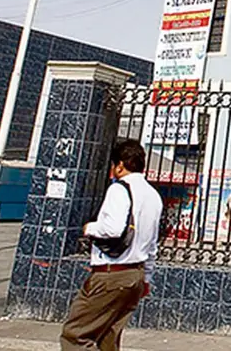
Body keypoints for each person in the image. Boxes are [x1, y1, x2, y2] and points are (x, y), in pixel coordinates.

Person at [61, 140, 163, 351]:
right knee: (108, 338)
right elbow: (152, 244)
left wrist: (90, 228)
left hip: (111, 274)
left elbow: (114, 229)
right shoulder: (153, 195)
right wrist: (146, 278)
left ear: (119, 165)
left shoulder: (119, 189)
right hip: (135, 274)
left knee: (76, 336)